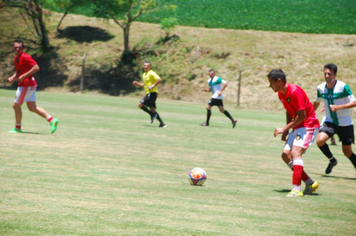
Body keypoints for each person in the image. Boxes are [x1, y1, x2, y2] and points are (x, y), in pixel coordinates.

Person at [267, 69, 320, 197]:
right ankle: (309, 182)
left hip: (309, 125)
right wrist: (287, 129)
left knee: (296, 153)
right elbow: (288, 110)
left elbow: (302, 115)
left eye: (271, 83)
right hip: (298, 126)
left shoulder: (294, 92)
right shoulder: (281, 94)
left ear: (278, 81)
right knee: (286, 155)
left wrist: (284, 129)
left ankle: (296, 189)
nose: (270, 86)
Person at [7, 39, 58, 134]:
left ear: (23, 48)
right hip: (30, 85)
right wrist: (13, 76)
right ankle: (52, 120)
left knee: (16, 106)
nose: (17, 49)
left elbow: (36, 67)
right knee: (32, 107)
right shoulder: (16, 58)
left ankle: (17, 128)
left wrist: (23, 76)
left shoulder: (25, 57)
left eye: (19, 48)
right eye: (15, 47)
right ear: (13, 48)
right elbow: (19, 71)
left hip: (26, 85)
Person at [313, 63, 356, 174]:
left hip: (345, 123)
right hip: (329, 122)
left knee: (347, 152)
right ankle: (332, 160)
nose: (327, 76)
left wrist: (339, 107)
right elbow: (317, 102)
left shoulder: (343, 87)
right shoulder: (321, 88)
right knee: (320, 141)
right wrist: (308, 114)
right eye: (325, 74)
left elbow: (354, 102)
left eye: (330, 74)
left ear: (335, 74)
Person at [133, 60, 166, 128]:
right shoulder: (144, 74)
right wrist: (138, 84)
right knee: (153, 109)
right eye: (145, 65)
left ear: (150, 67)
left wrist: (153, 86)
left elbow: (159, 79)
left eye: (147, 66)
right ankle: (162, 124)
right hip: (149, 93)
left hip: (152, 93)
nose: (145, 67)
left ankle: (151, 114)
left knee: (140, 104)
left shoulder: (151, 73)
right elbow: (144, 85)